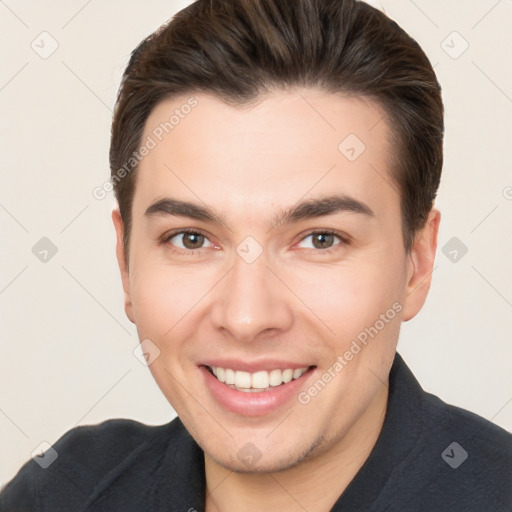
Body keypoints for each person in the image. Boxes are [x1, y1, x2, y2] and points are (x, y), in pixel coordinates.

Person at [1, 0, 511, 510]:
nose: (246, 318)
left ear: (416, 265)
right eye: (191, 239)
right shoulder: (62, 493)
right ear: (126, 262)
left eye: (320, 239)